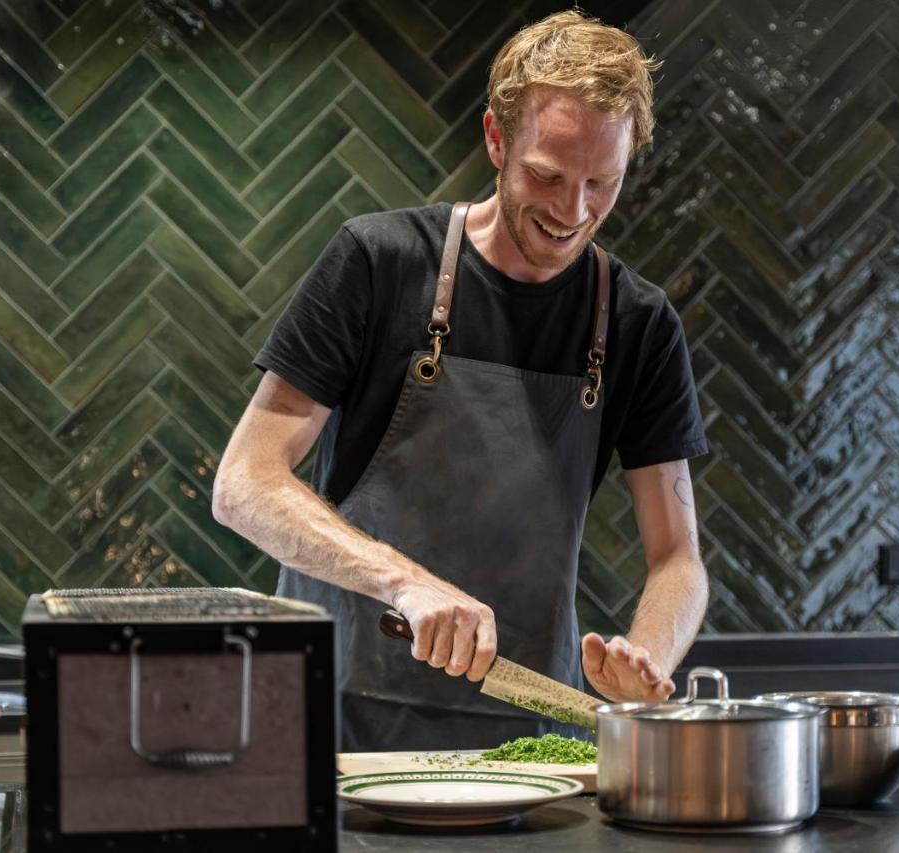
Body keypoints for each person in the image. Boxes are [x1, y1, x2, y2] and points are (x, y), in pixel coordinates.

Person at [213, 10, 709, 751]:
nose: (572, 211)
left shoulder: (640, 323)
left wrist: (648, 659)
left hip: (528, 734)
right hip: (337, 721)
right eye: (547, 175)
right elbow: (244, 484)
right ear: (496, 139)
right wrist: (404, 582)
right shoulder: (377, 262)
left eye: (602, 183)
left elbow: (678, 558)